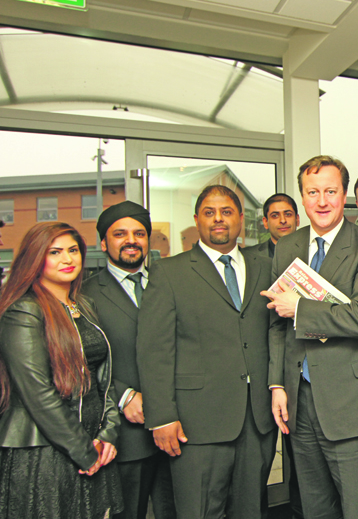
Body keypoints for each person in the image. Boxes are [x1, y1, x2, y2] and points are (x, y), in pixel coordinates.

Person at [137, 185, 276, 519]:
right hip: (194, 422)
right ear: (197, 219)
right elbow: (154, 350)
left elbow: (276, 334)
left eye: (226, 212)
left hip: (256, 420)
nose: (218, 220)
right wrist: (162, 416)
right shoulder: (169, 272)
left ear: (241, 218)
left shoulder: (266, 267)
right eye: (210, 212)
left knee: (251, 511)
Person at [265, 156, 358, 519]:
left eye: (330, 192)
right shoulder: (287, 246)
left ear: (345, 195)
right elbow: (276, 324)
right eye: (312, 192)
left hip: (350, 402)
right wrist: (277, 385)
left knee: (356, 509)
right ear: (302, 198)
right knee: (314, 507)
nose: (322, 201)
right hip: (299, 401)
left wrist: (300, 309)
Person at [0, 222, 123, 518]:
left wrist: (108, 433)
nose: (68, 259)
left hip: (93, 445)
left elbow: (102, 379)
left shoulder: (84, 305)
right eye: (55, 252)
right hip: (44, 451)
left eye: (73, 250)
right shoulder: (24, 310)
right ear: (35, 258)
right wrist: (84, 450)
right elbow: (37, 393)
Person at [83, 202, 176, 519]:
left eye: (139, 233)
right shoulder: (86, 296)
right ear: (103, 242)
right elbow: (85, 361)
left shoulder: (173, 284)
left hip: (178, 427)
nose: (131, 240)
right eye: (120, 234)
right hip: (126, 434)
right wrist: (122, 395)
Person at [257, 193, 300, 259]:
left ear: (297, 219)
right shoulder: (248, 256)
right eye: (275, 216)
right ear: (265, 222)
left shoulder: (312, 252)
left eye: (288, 214)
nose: (283, 220)